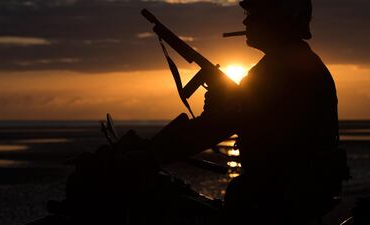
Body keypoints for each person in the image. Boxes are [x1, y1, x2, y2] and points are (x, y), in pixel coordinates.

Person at [148, 0, 347, 224]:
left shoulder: (279, 70)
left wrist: (149, 155)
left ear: (278, 19)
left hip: (276, 198)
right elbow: (245, 116)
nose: (245, 20)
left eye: (253, 13)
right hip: (294, 193)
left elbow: (218, 125)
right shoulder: (298, 62)